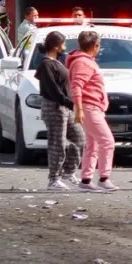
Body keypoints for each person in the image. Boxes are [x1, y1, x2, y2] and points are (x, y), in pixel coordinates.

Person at [68, 30, 116, 192]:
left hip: (92, 107)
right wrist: (80, 109)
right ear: (95, 46)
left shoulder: (83, 61)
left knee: (93, 143)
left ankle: (86, 179)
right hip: (89, 107)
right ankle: (104, 178)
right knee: (107, 141)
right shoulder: (84, 62)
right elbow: (77, 86)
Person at [36, 31, 82, 191]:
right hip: (54, 107)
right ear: (56, 46)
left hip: (64, 107)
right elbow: (53, 90)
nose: (65, 47)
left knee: (79, 138)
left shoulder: (57, 62)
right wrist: (71, 103)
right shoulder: (46, 64)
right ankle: (54, 179)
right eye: (63, 44)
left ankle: (68, 173)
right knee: (57, 144)